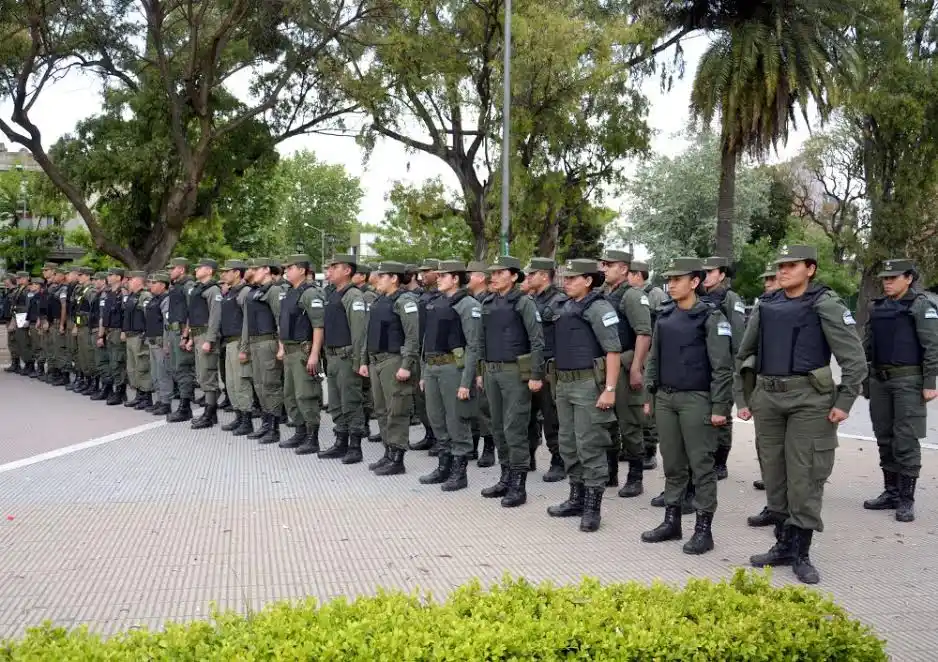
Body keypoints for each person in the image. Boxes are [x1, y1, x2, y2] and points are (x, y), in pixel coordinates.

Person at [737, 245, 867, 585]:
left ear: (810, 268)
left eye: (791, 266)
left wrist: (845, 401)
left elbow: (854, 358)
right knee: (774, 472)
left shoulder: (825, 303)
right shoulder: (765, 306)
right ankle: (782, 544)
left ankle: (802, 553)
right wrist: (746, 397)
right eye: (780, 266)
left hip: (809, 400)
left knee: (805, 474)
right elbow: (745, 353)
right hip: (768, 397)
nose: (782, 271)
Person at [640, 257, 734, 554]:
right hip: (666, 399)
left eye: (678, 279)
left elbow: (722, 367)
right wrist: (648, 396)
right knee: (673, 463)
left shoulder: (711, 317)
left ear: (695, 282)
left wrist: (720, 406)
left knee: (701, 466)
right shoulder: (665, 314)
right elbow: (653, 359)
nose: (671, 284)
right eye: (669, 279)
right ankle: (672, 521)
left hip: (697, 399)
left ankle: (704, 530)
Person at [546, 259, 621, 532]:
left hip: (589, 385)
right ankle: (576, 498)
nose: (566, 283)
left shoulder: (599, 308)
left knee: (590, 445)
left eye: (572, 278)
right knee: (568, 443)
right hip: (564, 384)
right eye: (565, 279)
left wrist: (609, 390)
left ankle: (592, 508)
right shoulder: (566, 307)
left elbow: (612, 351)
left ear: (589, 280)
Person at [862, 258, 938, 523]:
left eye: (893, 278)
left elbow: (932, 347)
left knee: (905, 439)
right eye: (885, 278)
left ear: (909, 278)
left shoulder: (921, 305)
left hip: (909, 380)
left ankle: (906, 499)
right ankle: (891, 492)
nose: (887, 282)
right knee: (884, 436)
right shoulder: (878, 306)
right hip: (880, 380)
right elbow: (867, 345)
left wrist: (930, 383)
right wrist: (864, 378)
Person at [477, 255, 545, 507]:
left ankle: (519, 484)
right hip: (492, 371)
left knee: (514, 428)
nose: (493, 277)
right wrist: (480, 370)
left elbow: (537, 341)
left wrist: (535, 375)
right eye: (492, 273)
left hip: (515, 372)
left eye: (500, 272)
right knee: (497, 426)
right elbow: (481, 339)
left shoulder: (523, 302)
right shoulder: (488, 301)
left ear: (514, 276)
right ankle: (505, 477)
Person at [417, 260, 482, 491]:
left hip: (453, 369)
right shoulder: (436, 303)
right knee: (437, 419)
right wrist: (425, 372)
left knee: (457, 421)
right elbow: (427, 343)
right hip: (433, 368)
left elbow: (474, 346)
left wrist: (466, 381)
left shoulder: (467, 305)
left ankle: (459, 473)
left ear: (455, 278)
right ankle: (443, 466)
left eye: (444, 275)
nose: (439, 278)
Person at [599, 249, 652, 497]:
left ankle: (635, 476)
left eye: (609, 265)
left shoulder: (631, 296)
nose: (604, 268)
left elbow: (643, 333)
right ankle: (610, 473)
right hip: (604, 366)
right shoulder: (601, 295)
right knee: (606, 422)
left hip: (624, 364)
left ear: (623, 269)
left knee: (630, 424)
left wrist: (636, 368)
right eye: (604, 264)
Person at [362, 261, 421, 475]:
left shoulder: (404, 301)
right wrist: (365, 361)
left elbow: (413, 337)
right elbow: (369, 334)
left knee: (397, 409)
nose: (378, 279)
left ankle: (397, 458)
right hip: (377, 360)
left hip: (394, 360)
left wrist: (406, 365)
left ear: (394, 278)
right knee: (381, 409)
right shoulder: (379, 301)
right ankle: (388, 452)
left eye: (383, 276)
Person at [700, 256, 747, 481]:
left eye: (710, 272)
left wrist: (735, 369)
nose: (705, 276)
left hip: (723, 366)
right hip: (700, 366)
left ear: (721, 275)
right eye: (704, 272)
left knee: (722, 416)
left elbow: (738, 337)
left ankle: (721, 462)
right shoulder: (697, 297)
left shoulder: (730, 299)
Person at [320, 254, 368, 460]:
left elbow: (359, 333)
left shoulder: (353, 296)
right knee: (336, 404)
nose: (328, 272)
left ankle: (355, 447)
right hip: (332, 357)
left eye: (334, 267)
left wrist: (359, 361)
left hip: (347, 357)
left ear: (347, 271)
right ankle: (340, 441)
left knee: (351, 402)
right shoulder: (333, 294)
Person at [277, 255, 326, 455]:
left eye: (290, 268)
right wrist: (281, 347)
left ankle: (312, 437)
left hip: (303, 351)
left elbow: (318, 326)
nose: (286, 271)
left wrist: (314, 354)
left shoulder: (310, 293)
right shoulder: (290, 293)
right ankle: (299, 431)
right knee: (290, 395)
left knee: (306, 395)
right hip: (289, 351)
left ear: (302, 270)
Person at [745, 262, 781, 527]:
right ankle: (774, 503)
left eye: (772, 278)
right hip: (764, 384)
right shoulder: (762, 307)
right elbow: (747, 348)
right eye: (765, 279)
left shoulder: (810, 305)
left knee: (792, 457)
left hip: (796, 389)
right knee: (766, 448)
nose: (767, 283)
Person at [525, 258, 567, 482]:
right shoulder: (530, 300)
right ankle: (528, 455)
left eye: (532, 274)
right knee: (527, 414)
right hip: (531, 365)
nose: (528, 278)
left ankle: (558, 459)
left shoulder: (559, 301)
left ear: (544, 275)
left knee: (551, 416)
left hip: (550, 366)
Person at [627, 260, 668, 470]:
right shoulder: (629, 295)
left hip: (650, 351)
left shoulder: (655, 294)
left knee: (647, 402)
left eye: (630, 273)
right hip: (635, 350)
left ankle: (650, 449)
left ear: (637, 275)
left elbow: (660, 325)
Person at [242, 258, 285, 445]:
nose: (252, 271)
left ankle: (274, 427)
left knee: (271, 384)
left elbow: (280, 319)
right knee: (259, 385)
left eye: (255, 268)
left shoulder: (274, 290)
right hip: (255, 342)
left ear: (266, 270)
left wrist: (281, 346)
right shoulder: (256, 291)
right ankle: (266, 423)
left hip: (268, 342)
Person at [216, 260, 254, 436]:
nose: (224, 275)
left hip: (239, 341)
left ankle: (247, 420)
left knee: (241, 382)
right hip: (229, 342)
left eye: (227, 271)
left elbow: (247, 321)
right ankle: (239, 416)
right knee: (231, 383)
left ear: (237, 273)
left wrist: (244, 347)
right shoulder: (230, 292)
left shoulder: (244, 292)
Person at [187, 258, 223, 429]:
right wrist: (189, 337)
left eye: (200, 268)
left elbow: (215, 317)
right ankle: (211, 413)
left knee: (208, 375)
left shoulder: (213, 290)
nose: (196, 270)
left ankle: (209, 413)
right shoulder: (198, 288)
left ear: (209, 271)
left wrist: (209, 340)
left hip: (206, 335)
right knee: (202, 374)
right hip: (197, 335)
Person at [411, 258, 441, 453]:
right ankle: (429, 433)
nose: (423, 275)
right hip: (421, 350)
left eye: (427, 271)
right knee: (422, 399)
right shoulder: (422, 296)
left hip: (437, 353)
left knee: (438, 402)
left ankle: (441, 438)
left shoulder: (443, 296)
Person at [467, 260, 495, 466]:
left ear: (480, 277)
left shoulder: (488, 301)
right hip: (472, 357)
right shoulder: (469, 299)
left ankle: (488, 448)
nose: (466, 278)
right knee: (472, 407)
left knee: (485, 407)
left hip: (485, 360)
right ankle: (472, 444)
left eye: (470, 274)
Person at [166, 258, 197, 422]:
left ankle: (185, 407)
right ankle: (184, 404)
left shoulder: (188, 286)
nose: (170, 271)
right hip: (174, 331)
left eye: (172, 268)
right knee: (177, 369)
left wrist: (186, 335)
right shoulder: (176, 286)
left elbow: (192, 312)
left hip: (182, 332)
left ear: (181, 269)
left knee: (183, 368)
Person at [353, 263, 380, 443]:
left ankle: (365, 422)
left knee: (365, 387)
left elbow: (366, 325)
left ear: (362, 276)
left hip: (365, 345)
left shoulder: (368, 295)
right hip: (360, 346)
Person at [122, 271, 153, 410]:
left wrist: (146, 335)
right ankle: (139, 395)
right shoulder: (131, 296)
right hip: (130, 335)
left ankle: (146, 396)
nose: (128, 281)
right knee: (132, 368)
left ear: (138, 281)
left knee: (142, 366)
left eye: (131, 279)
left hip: (139, 336)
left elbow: (148, 317)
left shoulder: (144, 296)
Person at [96, 267, 127, 405]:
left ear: (118, 277)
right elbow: (103, 316)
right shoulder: (108, 293)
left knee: (117, 362)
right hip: (109, 331)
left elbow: (126, 315)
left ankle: (120, 391)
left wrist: (124, 331)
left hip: (118, 330)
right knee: (111, 361)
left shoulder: (123, 293)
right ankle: (116, 389)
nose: (108, 277)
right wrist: (101, 335)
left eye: (111, 275)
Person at [143, 272, 173, 415]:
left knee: (163, 373)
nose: (151, 285)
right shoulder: (154, 299)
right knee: (155, 373)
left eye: (154, 283)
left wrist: (167, 343)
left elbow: (167, 323)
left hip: (161, 342)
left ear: (162, 285)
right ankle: (160, 400)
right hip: (152, 340)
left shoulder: (166, 299)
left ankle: (166, 402)